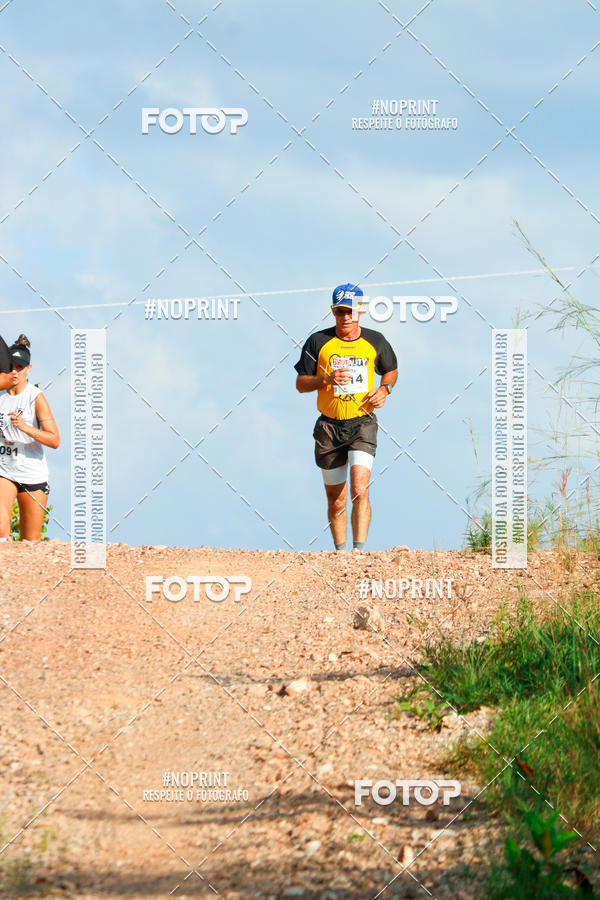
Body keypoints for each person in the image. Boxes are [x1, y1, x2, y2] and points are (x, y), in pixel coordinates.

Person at [295, 283, 398, 551]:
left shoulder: (375, 340)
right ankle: (341, 554)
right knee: (336, 499)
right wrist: (326, 379)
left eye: (351, 310)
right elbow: (301, 383)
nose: (346, 316)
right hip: (329, 427)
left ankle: (358, 553)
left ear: (360, 311)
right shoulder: (318, 341)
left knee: (359, 489)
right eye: (341, 311)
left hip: (362, 423)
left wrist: (385, 389)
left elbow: (391, 370)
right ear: (333, 312)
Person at [0, 335, 60, 542]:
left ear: (29, 369)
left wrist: (25, 427)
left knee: (30, 544)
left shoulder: (35, 397)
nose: (15, 372)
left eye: (20, 367)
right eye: (12, 367)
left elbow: (54, 440)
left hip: (33, 476)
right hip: (4, 472)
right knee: (0, 528)